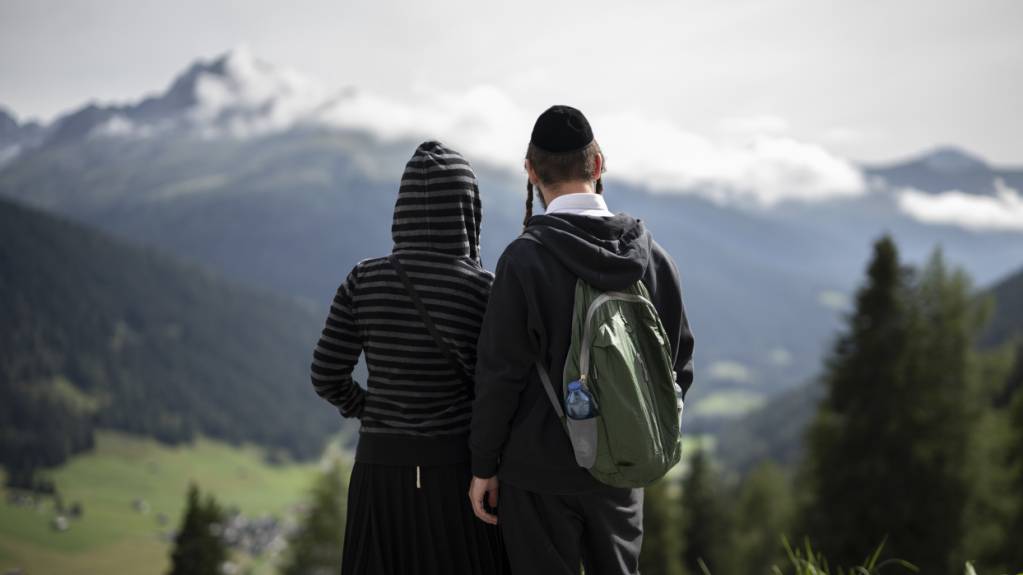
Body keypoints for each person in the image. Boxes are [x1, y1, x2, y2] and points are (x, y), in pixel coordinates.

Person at [468, 106, 695, 575]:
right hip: (623, 468)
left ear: (531, 173)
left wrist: (484, 466)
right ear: (599, 164)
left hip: (538, 474)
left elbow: (499, 377)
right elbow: (678, 366)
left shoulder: (524, 261)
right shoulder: (652, 258)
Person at [311, 141, 506, 574]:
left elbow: (325, 375)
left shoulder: (363, 280)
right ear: (467, 210)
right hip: (458, 474)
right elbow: (497, 390)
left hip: (379, 472)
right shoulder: (484, 290)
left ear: (402, 209)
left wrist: (370, 409)